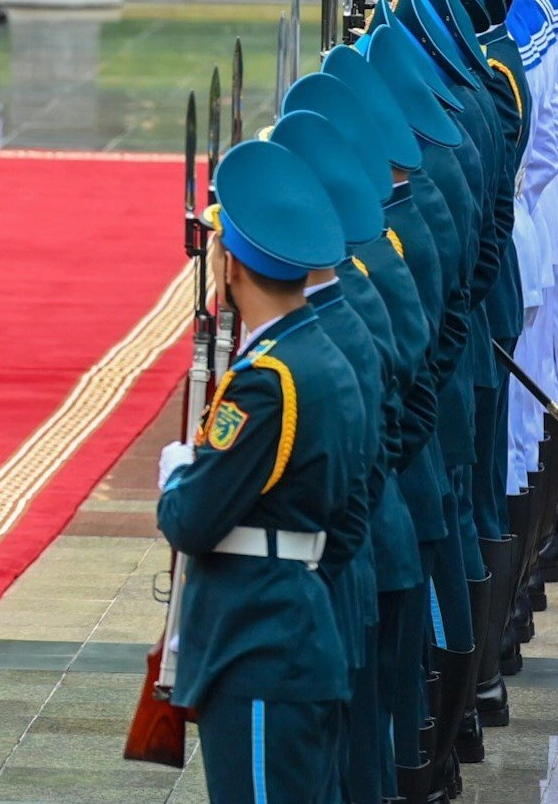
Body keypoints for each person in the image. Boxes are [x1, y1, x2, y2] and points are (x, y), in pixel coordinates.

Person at [156, 138, 367, 804]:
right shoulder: (323, 356)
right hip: (296, 633)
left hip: (258, 650)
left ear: (234, 266)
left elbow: (189, 521)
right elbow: (351, 517)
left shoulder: (266, 383)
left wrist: (176, 476)